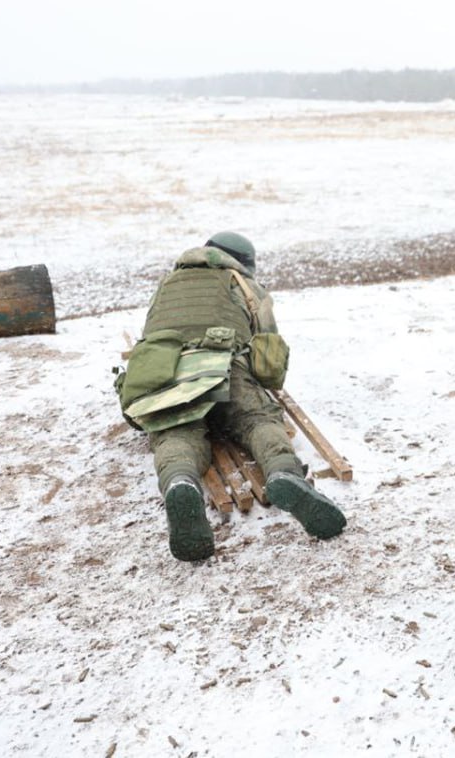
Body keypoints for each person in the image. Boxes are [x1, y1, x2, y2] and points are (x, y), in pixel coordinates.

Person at [120, 231, 346, 562]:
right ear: (243, 263)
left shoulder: (168, 283)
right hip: (224, 363)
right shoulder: (244, 285)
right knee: (258, 419)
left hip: (165, 370)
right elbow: (268, 358)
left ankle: (180, 482)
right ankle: (283, 472)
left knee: (176, 431)